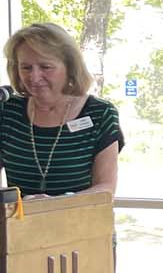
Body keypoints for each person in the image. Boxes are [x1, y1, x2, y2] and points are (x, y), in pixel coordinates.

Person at [1, 23, 123, 197]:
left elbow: (105, 189)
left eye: (45, 67)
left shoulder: (100, 114)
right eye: (26, 68)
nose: (34, 77)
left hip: (79, 221)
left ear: (69, 67)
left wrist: (53, 205)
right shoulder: (7, 110)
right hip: (18, 223)